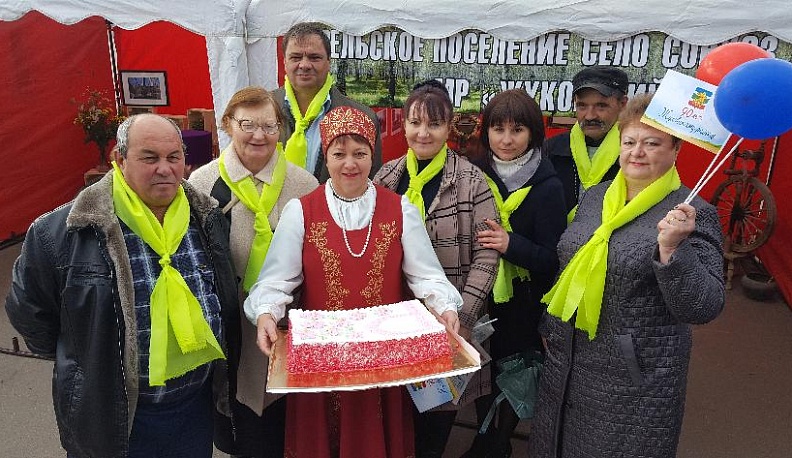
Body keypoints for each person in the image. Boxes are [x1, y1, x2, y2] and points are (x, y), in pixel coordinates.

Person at [5, 114, 241, 458]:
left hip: (193, 410)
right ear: (120, 159)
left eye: (174, 157)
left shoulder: (206, 217)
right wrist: (83, 360)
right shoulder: (62, 231)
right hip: (115, 419)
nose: (164, 168)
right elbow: (30, 316)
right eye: (149, 158)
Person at [244, 105, 463, 458]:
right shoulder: (301, 211)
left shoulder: (400, 209)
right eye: (339, 153)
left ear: (372, 155)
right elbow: (275, 281)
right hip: (323, 360)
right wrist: (267, 314)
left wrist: (444, 307)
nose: (350, 164)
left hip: (382, 361)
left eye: (360, 153)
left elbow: (427, 276)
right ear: (326, 157)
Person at [528, 93, 725, 457]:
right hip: (567, 364)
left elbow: (704, 305)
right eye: (630, 141)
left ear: (675, 150)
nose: (638, 152)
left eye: (652, 143)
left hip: (633, 379)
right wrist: (550, 326)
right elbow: (569, 264)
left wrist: (673, 251)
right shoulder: (595, 199)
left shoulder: (691, 212)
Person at [188, 86, 319, 457]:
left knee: (285, 420)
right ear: (228, 124)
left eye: (269, 125)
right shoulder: (202, 185)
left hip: (287, 322)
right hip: (229, 326)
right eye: (248, 124)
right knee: (239, 423)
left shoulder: (303, 185)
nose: (259, 135)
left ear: (281, 128)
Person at [373, 80, 499, 458]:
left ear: (449, 129)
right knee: (395, 419)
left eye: (434, 124)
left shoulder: (473, 181)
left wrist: (462, 315)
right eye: (414, 123)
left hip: (450, 323)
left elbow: (487, 256)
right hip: (396, 322)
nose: (422, 133)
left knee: (434, 423)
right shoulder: (385, 178)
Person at [460, 89, 566, 458]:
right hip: (479, 294)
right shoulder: (472, 174)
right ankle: (485, 437)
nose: (506, 140)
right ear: (485, 130)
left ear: (534, 134)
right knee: (481, 369)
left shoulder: (548, 187)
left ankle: (496, 442)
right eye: (497, 129)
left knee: (514, 373)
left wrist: (511, 244)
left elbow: (552, 260)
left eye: (517, 130)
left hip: (522, 304)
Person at [273, 21, 382, 182]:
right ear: (284, 62)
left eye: (314, 57)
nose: (304, 65)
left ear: (329, 62)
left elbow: (371, 183)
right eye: (295, 57)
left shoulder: (362, 117)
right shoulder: (263, 109)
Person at [544, 65, 629, 220]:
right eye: (582, 106)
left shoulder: (637, 156)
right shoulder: (551, 150)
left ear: (622, 104)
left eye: (601, 106)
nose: (590, 116)